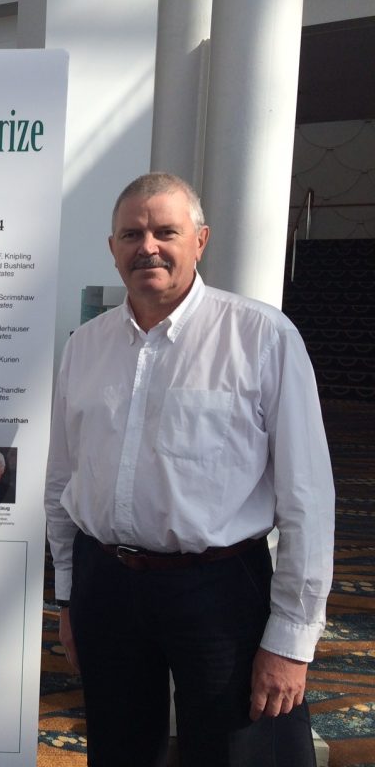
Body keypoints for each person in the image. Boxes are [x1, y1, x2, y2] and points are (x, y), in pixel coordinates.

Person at [45, 173, 335, 767]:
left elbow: (308, 499)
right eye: (131, 233)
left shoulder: (261, 337)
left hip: (220, 590)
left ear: (200, 241)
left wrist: (291, 641)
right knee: (119, 753)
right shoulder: (86, 346)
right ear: (112, 248)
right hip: (108, 583)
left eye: (165, 231)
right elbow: (62, 482)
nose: (146, 246)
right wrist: (70, 598)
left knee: (239, 754)